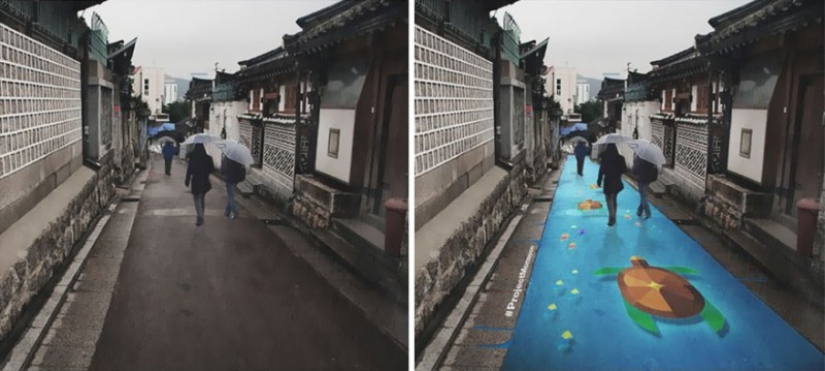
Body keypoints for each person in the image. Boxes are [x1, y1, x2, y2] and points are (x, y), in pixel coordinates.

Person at [597, 143, 627, 226]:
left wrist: (599, 180)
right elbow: (624, 170)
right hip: (617, 181)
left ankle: (612, 217)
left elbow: (601, 170)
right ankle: (614, 216)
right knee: (614, 199)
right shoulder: (620, 158)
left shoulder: (605, 158)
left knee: (609, 199)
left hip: (608, 181)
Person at [185, 143, 214, 226]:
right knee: (201, 198)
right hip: (205, 181)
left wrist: (187, 180)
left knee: (197, 198)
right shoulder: (207, 158)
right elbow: (212, 170)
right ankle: (201, 215)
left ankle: (200, 217)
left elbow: (189, 170)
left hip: (196, 181)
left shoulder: (193, 157)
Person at [633, 154, 658, 219]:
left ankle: (648, 212)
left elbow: (635, 168)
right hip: (648, 179)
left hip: (641, 179)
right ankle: (639, 211)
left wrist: (635, 175)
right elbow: (654, 168)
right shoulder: (651, 158)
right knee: (644, 195)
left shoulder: (639, 158)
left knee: (643, 196)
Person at [221, 155, 245, 220]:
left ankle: (235, 211)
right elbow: (241, 167)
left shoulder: (227, 157)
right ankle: (227, 211)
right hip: (235, 178)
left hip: (228, 178)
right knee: (231, 194)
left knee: (231, 195)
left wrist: (223, 175)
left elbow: (223, 167)